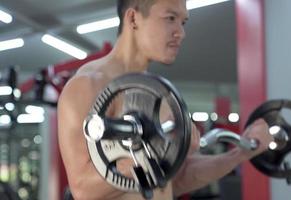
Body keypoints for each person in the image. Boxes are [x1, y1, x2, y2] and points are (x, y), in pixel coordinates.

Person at [57, 0, 273, 199]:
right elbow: (83, 189)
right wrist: (155, 152)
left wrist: (240, 154)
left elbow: (174, 180)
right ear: (133, 19)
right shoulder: (88, 85)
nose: (181, 32)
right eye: (170, 18)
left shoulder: (158, 96)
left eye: (183, 22)